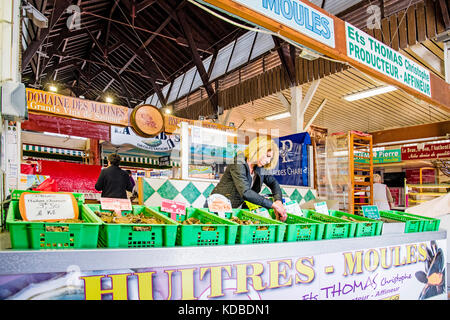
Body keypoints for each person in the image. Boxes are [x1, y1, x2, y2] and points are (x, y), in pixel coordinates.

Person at [208, 136, 287, 222]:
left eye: (270, 158)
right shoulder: (238, 162)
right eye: (267, 156)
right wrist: (273, 205)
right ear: (257, 150)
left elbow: (273, 183)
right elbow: (245, 192)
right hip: (218, 205)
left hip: (235, 208)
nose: (268, 161)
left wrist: (278, 201)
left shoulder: (259, 167)